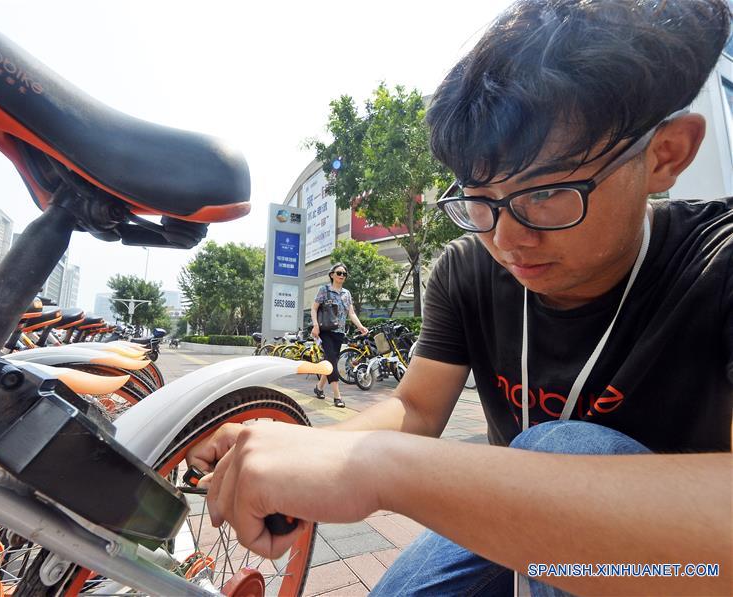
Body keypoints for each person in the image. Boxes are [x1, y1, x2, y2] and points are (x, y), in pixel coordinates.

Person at [190, 0, 733, 594]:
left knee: (569, 446)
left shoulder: (718, 262)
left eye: (548, 192)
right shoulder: (468, 269)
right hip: (517, 530)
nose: (507, 238)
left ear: (666, 153)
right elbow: (418, 410)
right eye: (479, 200)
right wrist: (300, 451)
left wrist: (383, 471)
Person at [310, 263, 369, 408]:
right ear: (332, 275)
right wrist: (316, 325)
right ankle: (337, 396)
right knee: (331, 360)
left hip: (339, 333)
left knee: (331, 362)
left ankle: (319, 388)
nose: (342, 276)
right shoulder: (324, 290)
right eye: (339, 273)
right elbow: (314, 308)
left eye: (344, 274)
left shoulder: (346, 294)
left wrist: (360, 326)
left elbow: (351, 313)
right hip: (325, 331)